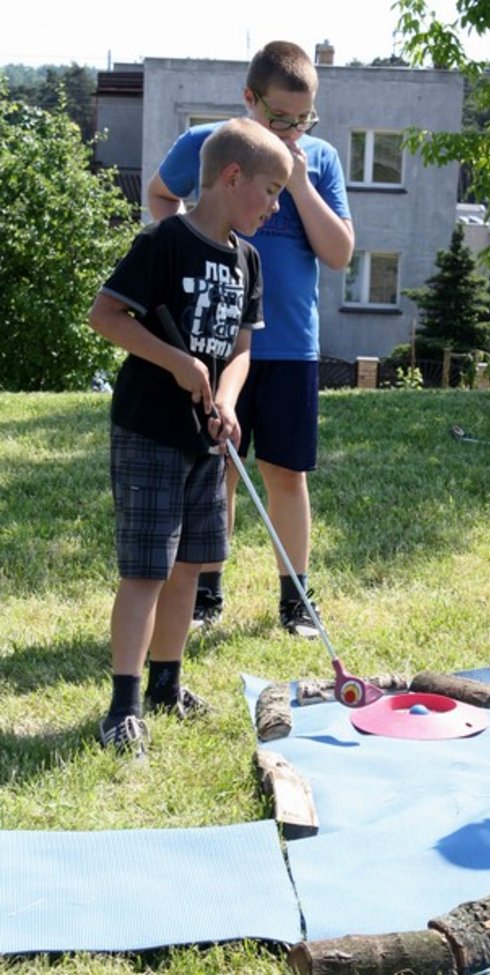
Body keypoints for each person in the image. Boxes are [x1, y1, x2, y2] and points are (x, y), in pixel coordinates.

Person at [89, 118, 292, 755]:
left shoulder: (247, 260)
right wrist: (175, 361)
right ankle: (123, 706)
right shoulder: (164, 242)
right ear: (232, 177)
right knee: (146, 569)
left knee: (188, 567)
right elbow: (105, 315)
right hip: (150, 429)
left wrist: (227, 400)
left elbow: (241, 347)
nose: (274, 206)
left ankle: (166, 685)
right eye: (271, 191)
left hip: (207, 438)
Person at [147, 40, 354, 638]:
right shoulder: (209, 146)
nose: (292, 130)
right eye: (279, 118)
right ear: (249, 98)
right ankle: (207, 591)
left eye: (303, 119)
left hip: (290, 346)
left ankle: (297, 599)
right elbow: (161, 193)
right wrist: (184, 246)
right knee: (219, 469)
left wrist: (299, 185)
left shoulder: (320, 159)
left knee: (286, 473)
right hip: (217, 342)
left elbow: (339, 252)